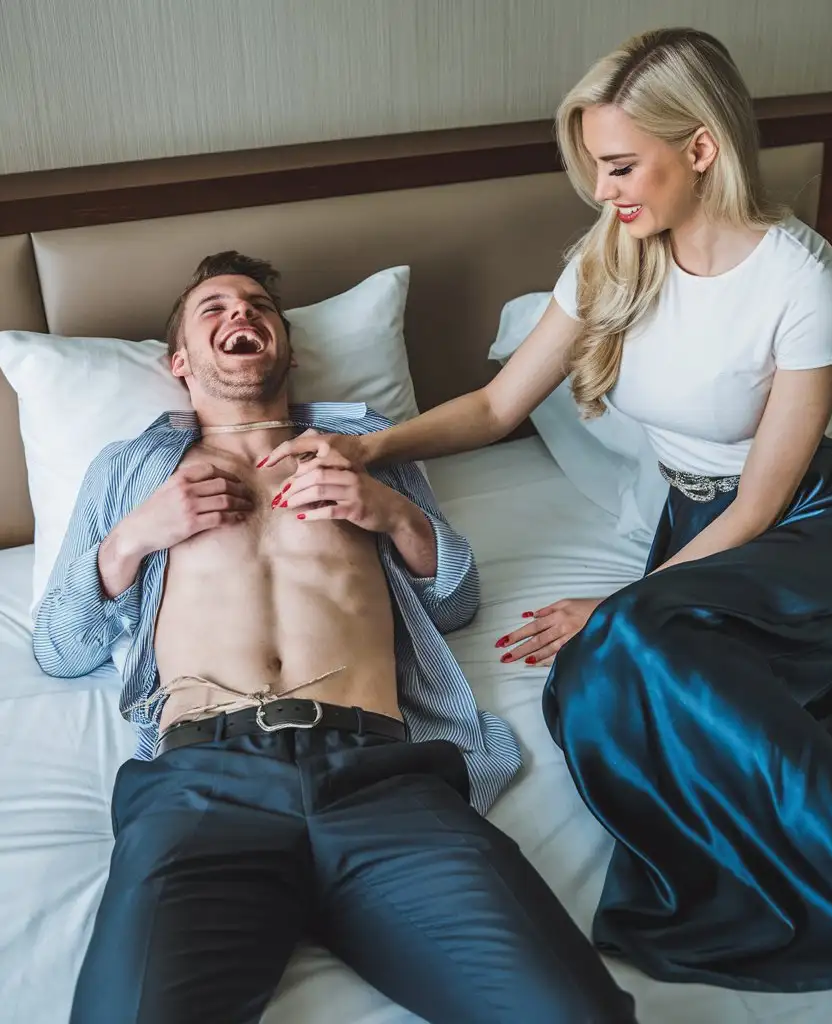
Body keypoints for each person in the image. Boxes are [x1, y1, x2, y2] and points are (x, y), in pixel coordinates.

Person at [263, 27, 832, 1022]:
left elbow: (757, 503)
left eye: (619, 164)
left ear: (699, 147)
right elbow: (498, 407)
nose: (602, 190)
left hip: (809, 531)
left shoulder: (799, 277)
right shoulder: (614, 253)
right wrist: (370, 446)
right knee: (588, 689)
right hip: (694, 529)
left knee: (633, 644)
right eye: (593, 167)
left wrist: (620, 603)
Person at [33, 251, 638, 1024]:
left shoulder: (364, 443)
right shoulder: (132, 468)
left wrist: (391, 513)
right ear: (179, 361)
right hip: (205, 783)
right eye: (212, 309)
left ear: (285, 344)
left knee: (573, 1013)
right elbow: (58, 647)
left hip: (384, 778)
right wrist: (134, 540)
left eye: (257, 306)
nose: (240, 316)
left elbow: (455, 602)